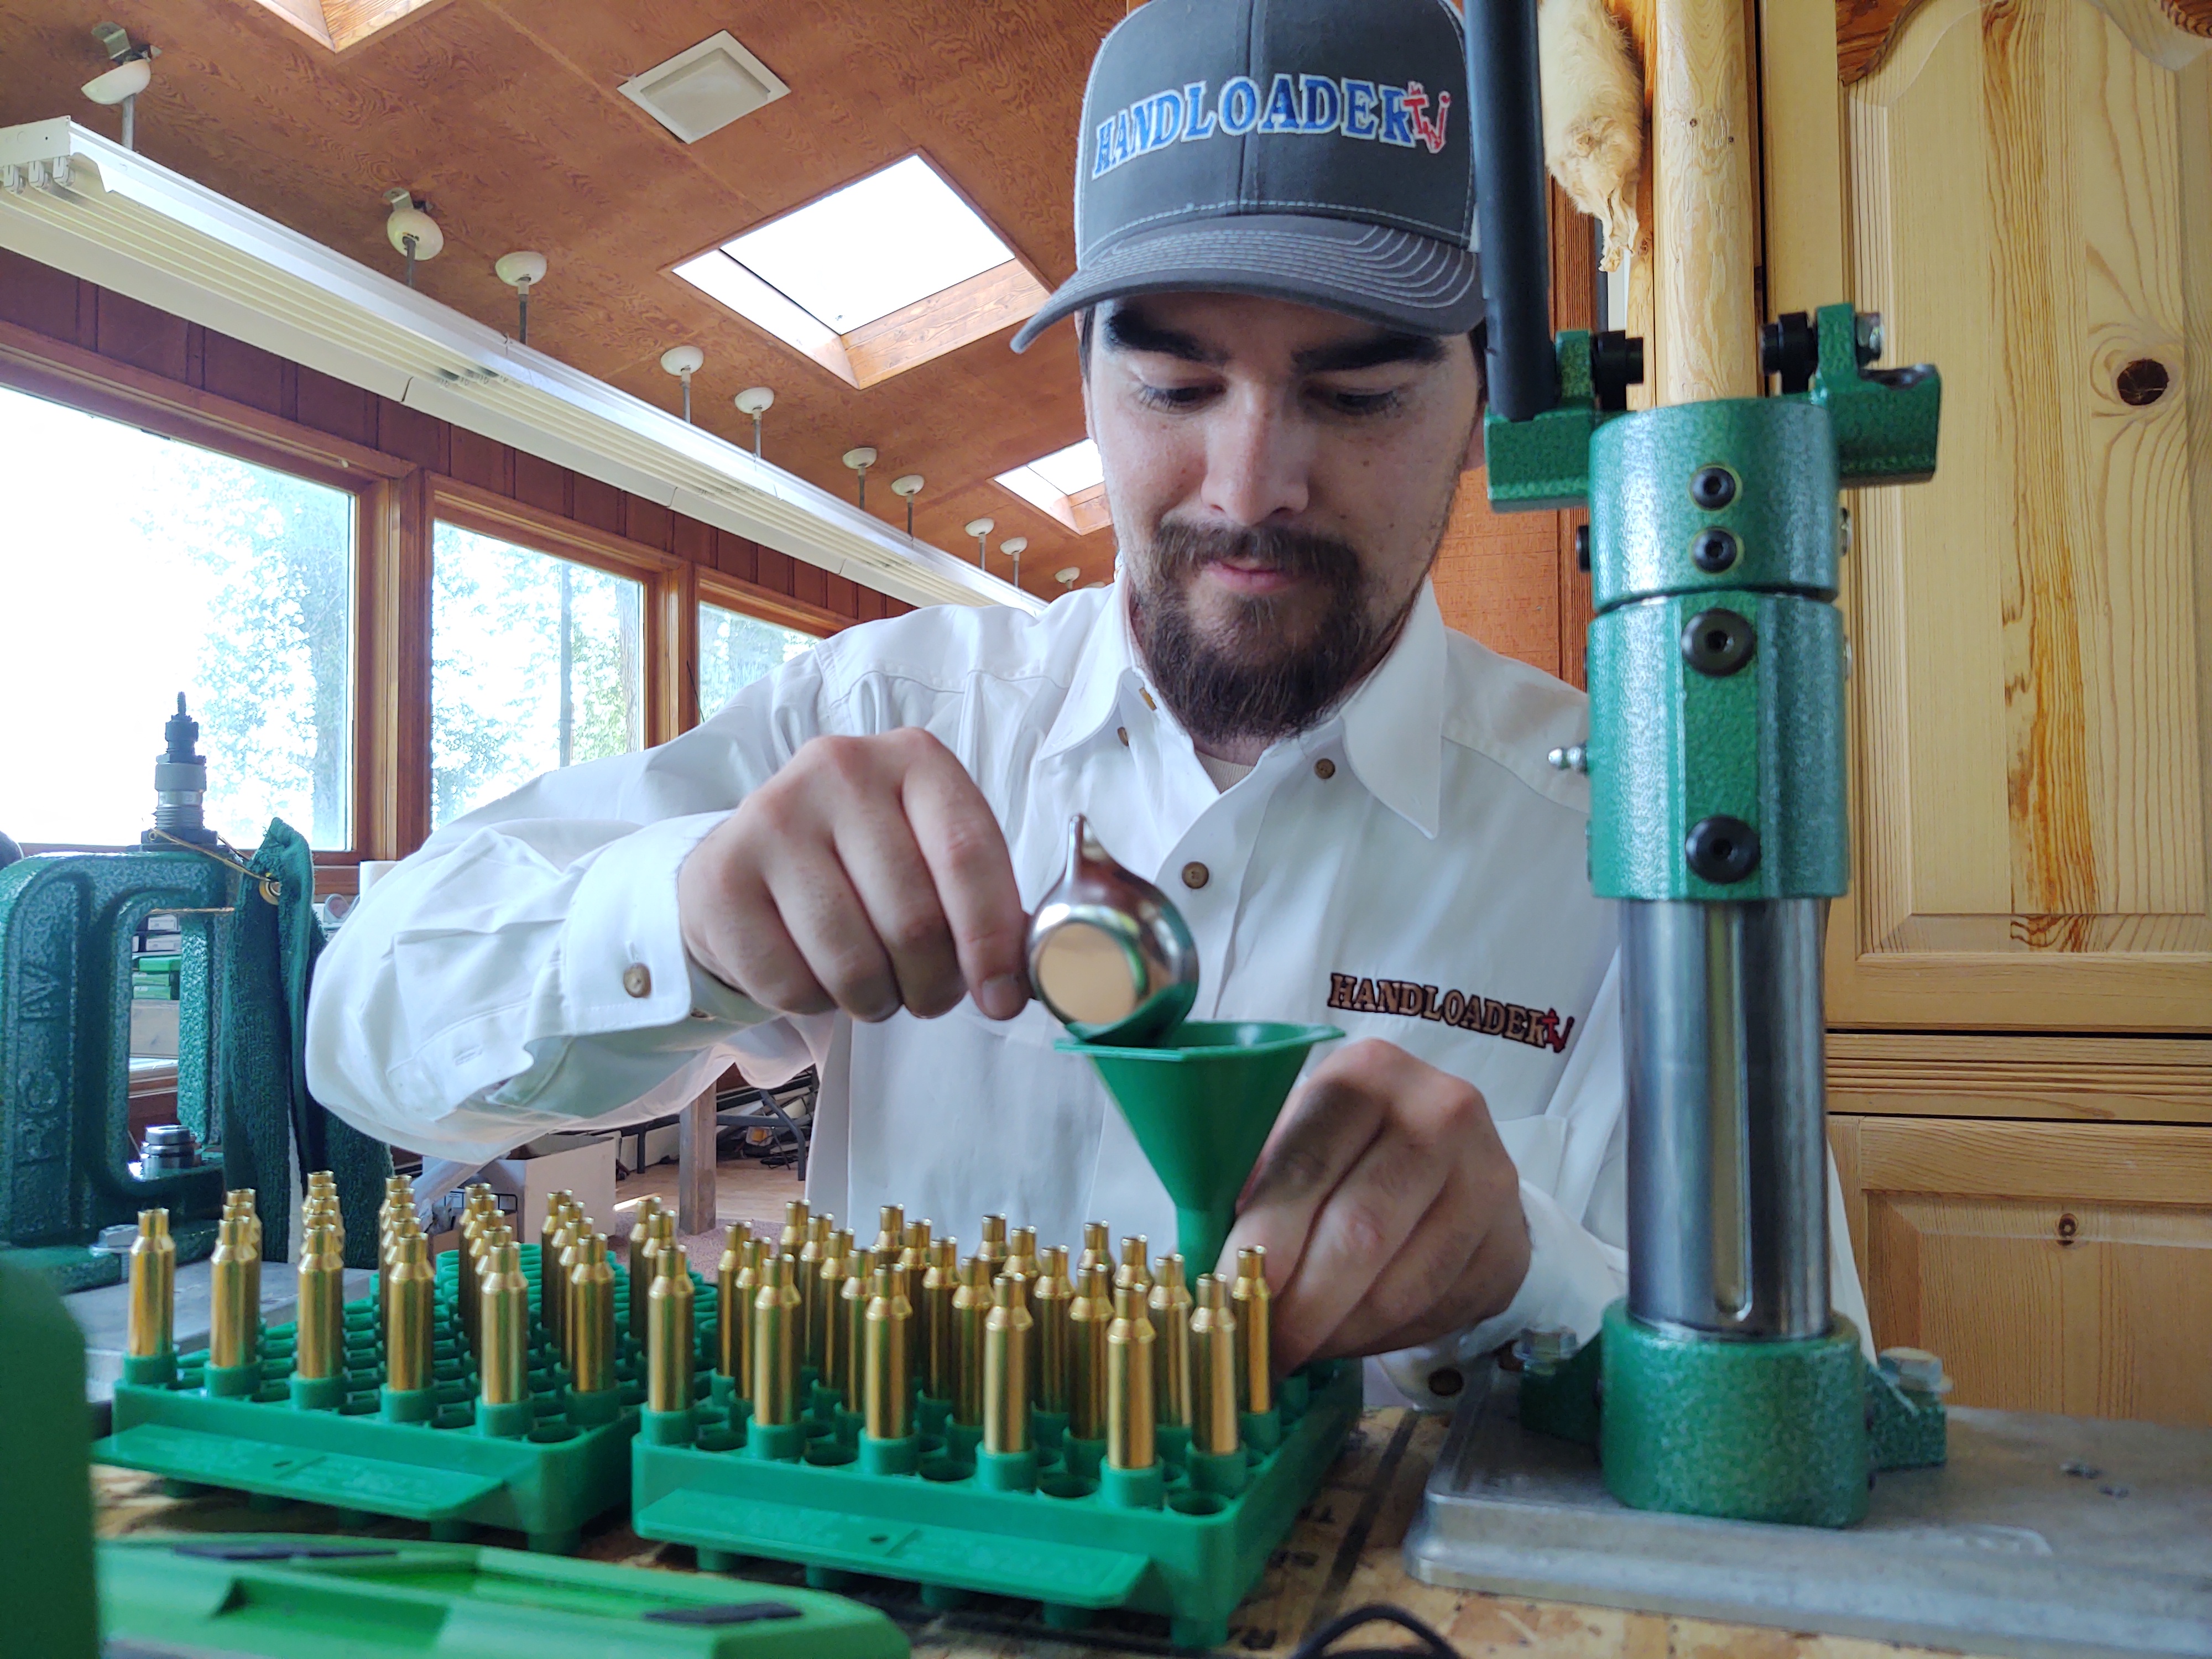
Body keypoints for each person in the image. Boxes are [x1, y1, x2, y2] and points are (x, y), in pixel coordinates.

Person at [307, 0, 1868, 1405]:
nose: (1251, 486)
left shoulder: (1623, 844)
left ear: (1485, 404)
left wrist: (1532, 1284)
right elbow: (364, 1022)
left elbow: (1818, 1425)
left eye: (1360, 393)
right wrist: (688, 918)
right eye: (1175, 388)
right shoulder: (873, 707)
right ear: (1084, 389)